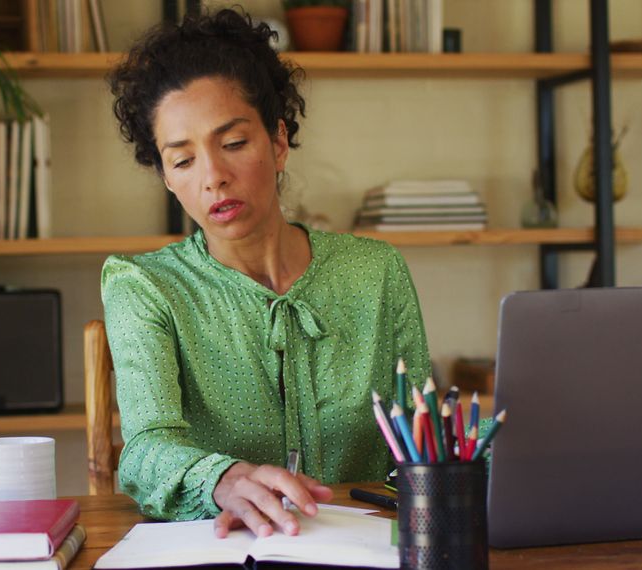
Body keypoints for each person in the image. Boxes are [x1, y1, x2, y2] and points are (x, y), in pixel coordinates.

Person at [101, 9, 431, 539]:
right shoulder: (144, 287)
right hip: (226, 548)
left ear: (278, 142)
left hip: (368, 549)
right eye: (182, 161)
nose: (214, 178)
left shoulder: (375, 272)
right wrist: (223, 479)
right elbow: (143, 452)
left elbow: (424, 431)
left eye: (233, 144)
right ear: (166, 176)